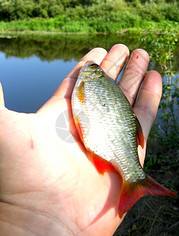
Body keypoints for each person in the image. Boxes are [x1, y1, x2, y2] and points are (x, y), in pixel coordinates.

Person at [0, 44, 162, 236]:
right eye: (94, 67)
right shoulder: (91, 83)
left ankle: (134, 178)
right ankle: (134, 179)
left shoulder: (88, 83)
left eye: (95, 68)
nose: (90, 67)